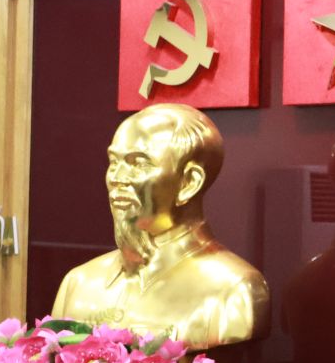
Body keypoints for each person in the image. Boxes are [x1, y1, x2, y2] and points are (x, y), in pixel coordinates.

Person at [53, 103, 269, 349]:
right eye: (114, 162)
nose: (116, 178)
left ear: (189, 182)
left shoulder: (234, 290)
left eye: (138, 163)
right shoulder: (78, 283)